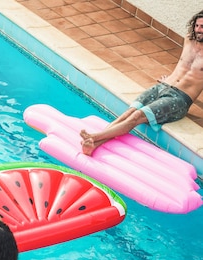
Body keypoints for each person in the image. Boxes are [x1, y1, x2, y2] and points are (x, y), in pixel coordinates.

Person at [80, 10, 203, 156]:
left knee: (136, 116)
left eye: (202, 27)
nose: (198, 30)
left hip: (179, 99)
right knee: (130, 111)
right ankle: (94, 144)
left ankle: (94, 137)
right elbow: (184, 64)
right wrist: (170, 78)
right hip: (163, 86)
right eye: (197, 25)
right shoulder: (189, 38)